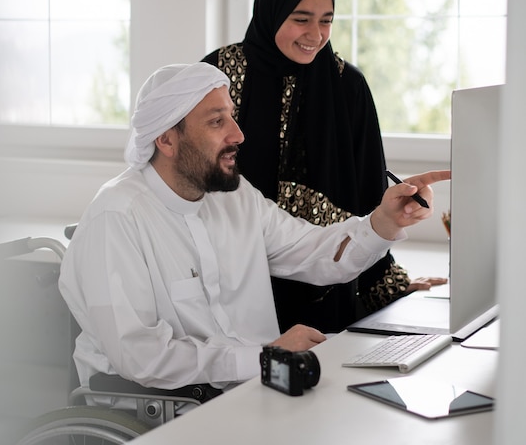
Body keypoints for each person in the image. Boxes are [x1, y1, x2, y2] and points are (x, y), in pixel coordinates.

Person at [58, 61, 449, 391]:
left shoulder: (234, 196)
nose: (238, 135)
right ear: (166, 139)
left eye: (231, 116)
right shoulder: (117, 218)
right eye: (216, 122)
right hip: (163, 409)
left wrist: (383, 221)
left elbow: (314, 253)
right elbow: (140, 356)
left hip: (254, 388)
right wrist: (263, 358)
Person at [201, 0, 447, 334]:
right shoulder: (218, 74)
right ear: (272, 10)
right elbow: (192, 176)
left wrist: (391, 286)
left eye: (327, 20)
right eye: (301, 18)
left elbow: (368, 192)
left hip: (327, 284)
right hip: (229, 280)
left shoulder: (347, 86)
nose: (315, 34)